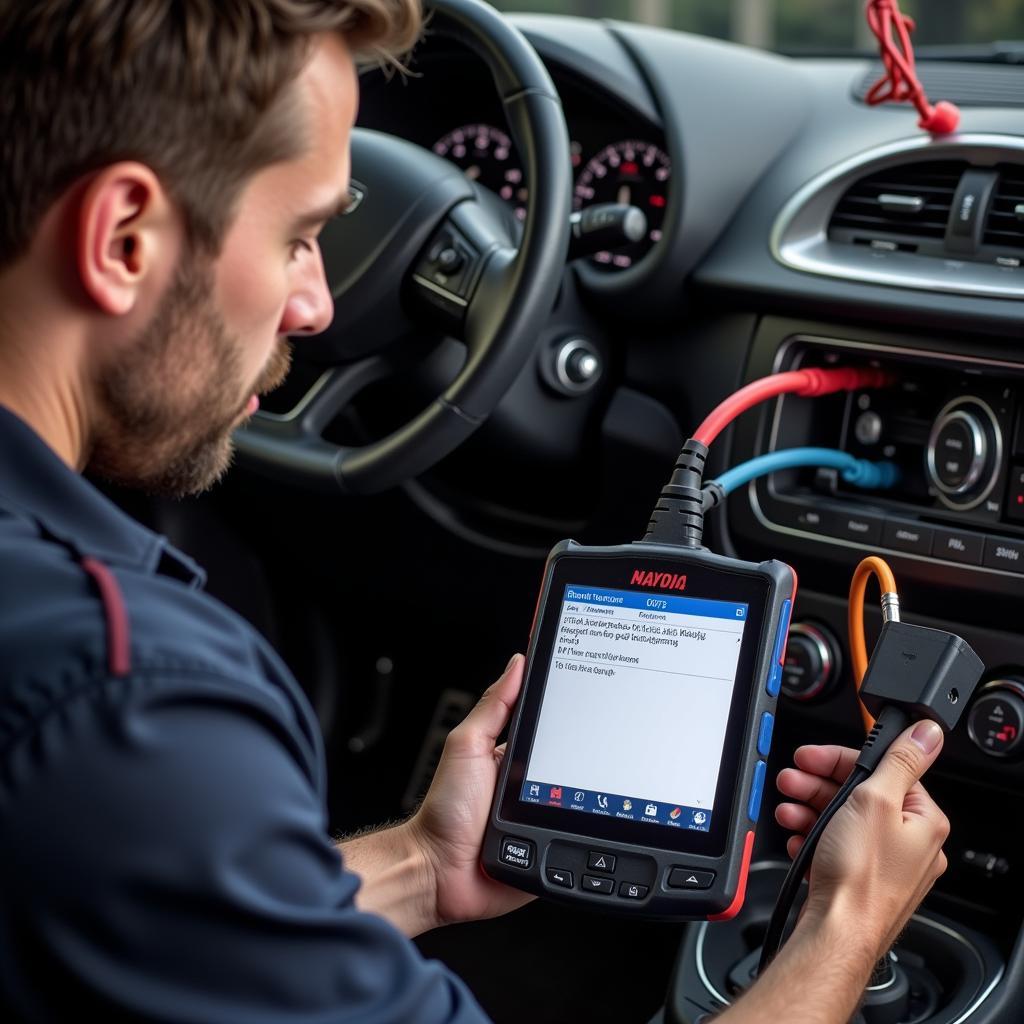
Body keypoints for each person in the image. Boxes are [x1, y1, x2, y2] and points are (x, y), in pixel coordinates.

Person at [0, 2, 950, 1021]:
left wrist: (419, 863)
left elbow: (151, 916)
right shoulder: (126, 699)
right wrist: (846, 923)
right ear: (123, 237)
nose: (317, 304)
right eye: (300, 235)